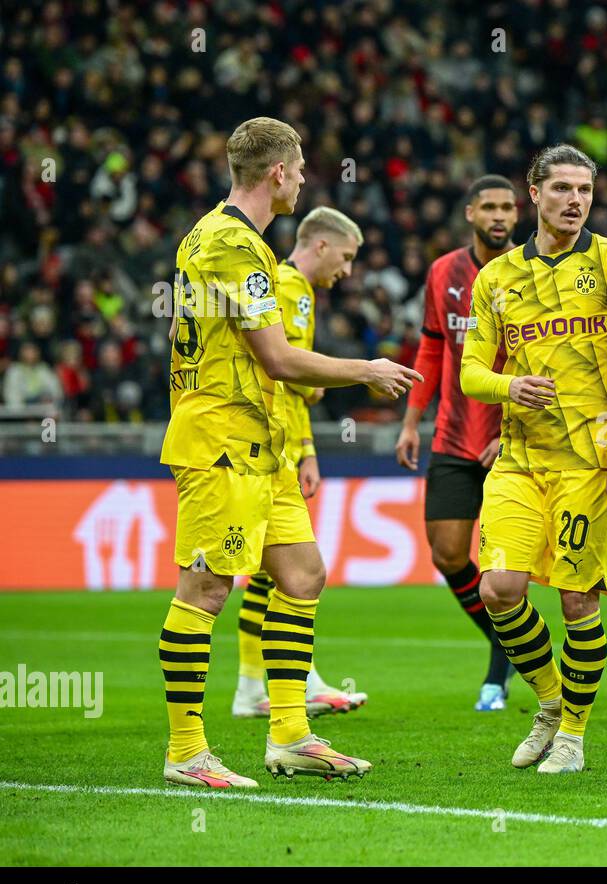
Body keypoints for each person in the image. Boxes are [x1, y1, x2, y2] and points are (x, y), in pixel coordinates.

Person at [158, 117, 419, 788]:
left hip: (260, 442)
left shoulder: (233, 242)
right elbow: (276, 358)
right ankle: (186, 751)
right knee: (207, 587)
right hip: (220, 439)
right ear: (278, 173)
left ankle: (291, 736)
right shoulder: (230, 245)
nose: (303, 182)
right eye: (300, 171)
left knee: (303, 574)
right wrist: (365, 368)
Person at [460, 145, 607, 774]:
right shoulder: (497, 278)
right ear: (535, 193)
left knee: (579, 602)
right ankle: (552, 703)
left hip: (590, 460)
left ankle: (575, 739)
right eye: (561, 188)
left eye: (584, 189)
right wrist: (511, 387)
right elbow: (472, 371)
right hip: (521, 461)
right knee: (498, 589)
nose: (575, 200)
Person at [230, 206, 371, 720]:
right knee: (285, 574)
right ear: (320, 246)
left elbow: (295, 383)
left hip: (284, 444)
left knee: (272, 574)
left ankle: (252, 687)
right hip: (265, 445)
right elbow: (285, 367)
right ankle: (288, 682)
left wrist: (308, 449)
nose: (347, 271)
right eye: (346, 258)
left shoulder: (295, 288)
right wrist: (324, 384)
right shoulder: (289, 287)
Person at [396, 174, 520, 713]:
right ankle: (503, 640)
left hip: (511, 443)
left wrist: (512, 428)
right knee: (447, 554)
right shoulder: (443, 272)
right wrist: (409, 421)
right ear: (470, 212)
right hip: (451, 435)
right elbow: (430, 347)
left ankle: (496, 676)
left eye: (507, 208)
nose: (499, 216)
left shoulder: (526, 275)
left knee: (502, 567)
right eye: (489, 207)